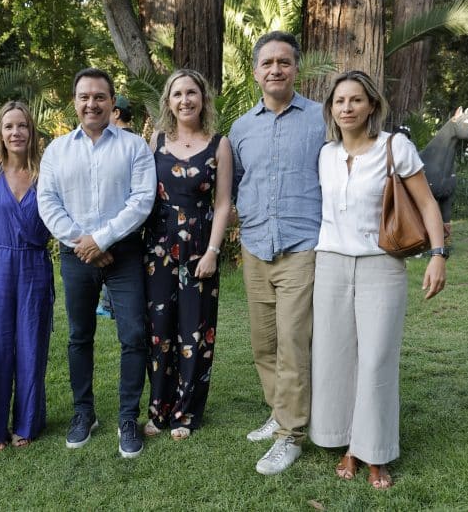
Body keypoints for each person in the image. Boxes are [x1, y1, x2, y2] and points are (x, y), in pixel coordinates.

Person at [309, 70, 446, 489]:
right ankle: (349, 444)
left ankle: (376, 454)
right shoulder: (326, 154)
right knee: (335, 359)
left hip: (381, 266)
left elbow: (427, 204)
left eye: (355, 100)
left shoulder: (395, 147)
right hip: (331, 265)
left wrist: (438, 255)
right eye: (339, 101)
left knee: (376, 360)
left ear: (371, 105)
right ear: (331, 109)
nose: (347, 108)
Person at [37, 67, 156, 459]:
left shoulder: (134, 147)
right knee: (79, 335)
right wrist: (83, 243)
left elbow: (142, 199)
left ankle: (127, 417)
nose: (92, 103)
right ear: (74, 102)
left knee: (133, 335)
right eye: (84, 97)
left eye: (99, 97)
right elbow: (48, 202)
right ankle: (83, 412)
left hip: (124, 253)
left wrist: (101, 240)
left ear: (112, 101)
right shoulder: (56, 151)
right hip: (76, 256)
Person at [228, 30, 325, 475]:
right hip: (255, 247)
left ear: (296, 69)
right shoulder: (241, 128)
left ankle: (291, 435)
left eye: (283, 62)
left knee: (292, 342)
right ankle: (279, 410)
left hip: (302, 246)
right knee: (264, 343)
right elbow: (238, 182)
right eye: (267, 63)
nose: (275, 69)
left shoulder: (321, 119)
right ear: (255, 72)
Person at [142, 69, 232, 441]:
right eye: (177, 94)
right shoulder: (156, 140)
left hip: (199, 247)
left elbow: (223, 204)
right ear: (168, 101)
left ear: (203, 98)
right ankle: (158, 410)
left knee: (195, 331)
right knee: (159, 331)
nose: (185, 100)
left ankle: (186, 413)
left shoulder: (219, 145)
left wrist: (213, 251)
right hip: (159, 247)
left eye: (191, 92)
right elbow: (144, 195)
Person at [0, 101, 54, 452]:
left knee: (32, 344)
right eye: (9, 126)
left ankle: (27, 424)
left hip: (35, 266)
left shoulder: (47, 173)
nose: (16, 132)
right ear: (0, 134)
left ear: (31, 131)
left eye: (22, 126)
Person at [96, 94, 136, 319]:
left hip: (121, 224)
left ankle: (109, 305)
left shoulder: (127, 143)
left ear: (116, 112)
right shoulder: (136, 139)